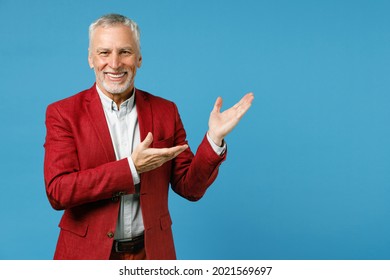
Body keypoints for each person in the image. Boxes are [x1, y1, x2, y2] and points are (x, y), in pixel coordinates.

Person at [43, 13, 254, 260]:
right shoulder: (63, 113)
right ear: (90, 59)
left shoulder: (166, 111)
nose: (114, 63)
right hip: (87, 255)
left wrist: (214, 140)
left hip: (152, 254)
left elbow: (190, 188)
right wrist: (131, 168)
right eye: (104, 53)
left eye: (125, 52)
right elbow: (58, 191)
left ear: (139, 58)